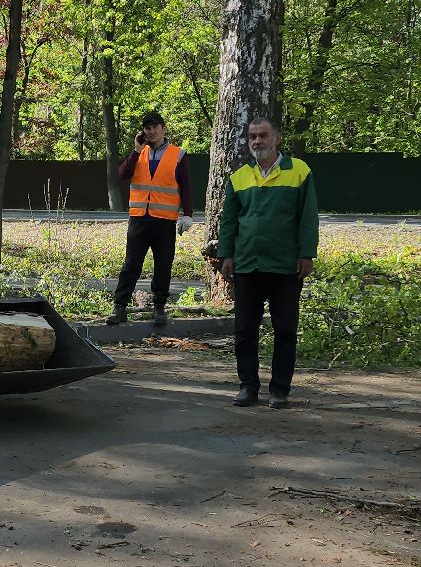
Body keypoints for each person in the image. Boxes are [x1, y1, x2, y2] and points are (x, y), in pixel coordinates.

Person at [210, 118, 317, 408]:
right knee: (245, 330)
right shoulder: (240, 177)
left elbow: (308, 217)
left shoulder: (299, 172)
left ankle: (279, 390)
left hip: (285, 266)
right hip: (248, 265)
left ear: (277, 138)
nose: (257, 141)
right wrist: (226, 255)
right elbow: (229, 220)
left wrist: (306, 253)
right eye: (252, 137)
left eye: (263, 136)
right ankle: (248, 387)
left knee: (285, 329)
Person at [108, 110, 194, 327]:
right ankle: (120, 307)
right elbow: (122, 174)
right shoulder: (139, 153)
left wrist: (188, 214)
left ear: (163, 128)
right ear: (143, 132)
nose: (152, 131)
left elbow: (186, 186)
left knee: (163, 265)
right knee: (131, 265)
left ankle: (159, 307)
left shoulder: (178, 154)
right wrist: (136, 150)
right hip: (139, 219)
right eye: (148, 128)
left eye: (155, 127)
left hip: (164, 220)